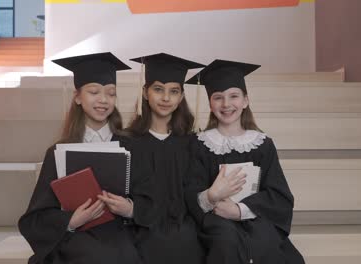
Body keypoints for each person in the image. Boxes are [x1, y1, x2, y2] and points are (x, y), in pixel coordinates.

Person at [18, 52, 153, 264]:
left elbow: (151, 200)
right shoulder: (58, 151)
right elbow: (38, 217)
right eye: (93, 92)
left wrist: (131, 208)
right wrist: (71, 221)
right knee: (94, 257)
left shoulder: (131, 147)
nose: (103, 100)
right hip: (78, 234)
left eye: (111, 93)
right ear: (78, 97)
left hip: (121, 231)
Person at [184, 59, 305, 264]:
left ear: (246, 100)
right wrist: (211, 196)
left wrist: (239, 211)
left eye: (234, 96)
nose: (226, 104)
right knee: (226, 241)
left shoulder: (262, 144)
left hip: (255, 217)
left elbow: (278, 194)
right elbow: (189, 191)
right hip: (215, 220)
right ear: (210, 104)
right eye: (218, 97)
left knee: (264, 240)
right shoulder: (199, 145)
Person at [126, 53, 206, 264]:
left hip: (183, 225)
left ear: (181, 97)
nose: (166, 98)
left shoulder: (192, 143)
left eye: (173, 91)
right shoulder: (127, 142)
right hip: (139, 225)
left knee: (185, 240)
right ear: (145, 92)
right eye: (158, 89)